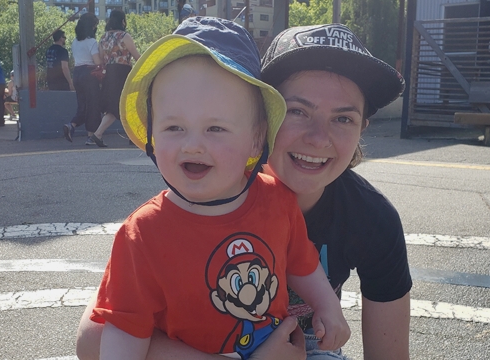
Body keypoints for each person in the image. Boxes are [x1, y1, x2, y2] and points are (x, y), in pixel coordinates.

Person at [76, 23, 411, 360]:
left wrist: (327, 311)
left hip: (296, 343)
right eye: (298, 111)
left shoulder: (370, 218)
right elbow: (95, 340)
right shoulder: (201, 188)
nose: (318, 138)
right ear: (265, 125)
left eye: (343, 119)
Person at [89, 9, 140, 148]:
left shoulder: (103, 38)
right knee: (121, 105)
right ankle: (98, 134)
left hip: (109, 73)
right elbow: (137, 56)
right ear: (122, 21)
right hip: (123, 72)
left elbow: (100, 58)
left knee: (116, 105)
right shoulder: (124, 36)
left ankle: (130, 136)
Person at [63, 12, 102, 146]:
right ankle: (91, 136)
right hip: (89, 74)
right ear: (91, 27)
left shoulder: (75, 42)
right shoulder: (91, 42)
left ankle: (72, 124)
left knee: (82, 105)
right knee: (93, 106)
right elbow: (97, 61)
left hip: (77, 73)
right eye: (95, 26)